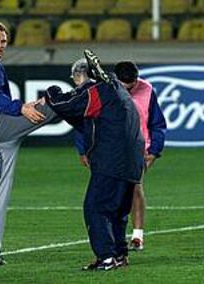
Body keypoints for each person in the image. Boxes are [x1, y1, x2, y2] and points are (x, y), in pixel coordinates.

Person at [0, 21, 58, 267]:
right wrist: (20, 108)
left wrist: (21, 109)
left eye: (3, 41)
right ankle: (90, 93)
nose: (0, 45)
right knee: (54, 103)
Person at [45, 50, 145, 271]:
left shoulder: (99, 91)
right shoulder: (119, 91)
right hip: (133, 162)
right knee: (117, 211)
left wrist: (51, 91)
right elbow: (84, 120)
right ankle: (119, 254)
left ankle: (106, 258)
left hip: (112, 159)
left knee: (95, 208)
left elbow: (65, 105)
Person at [74, 61, 167, 251]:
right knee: (113, 194)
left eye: (132, 86)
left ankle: (137, 236)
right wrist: (83, 149)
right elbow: (85, 119)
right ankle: (115, 239)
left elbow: (157, 122)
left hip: (137, 149)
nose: (129, 89)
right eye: (126, 86)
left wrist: (155, 150)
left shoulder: (147, 90)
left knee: (134, 187)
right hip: (107, 150)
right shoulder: (103, 90)